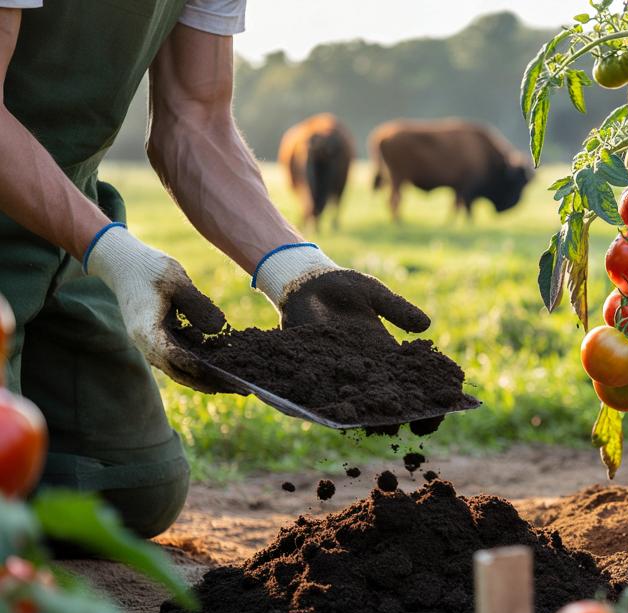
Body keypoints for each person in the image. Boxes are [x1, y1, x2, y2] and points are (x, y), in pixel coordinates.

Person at [0, 1, 428, 537]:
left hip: (65, 233)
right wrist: (115, 253)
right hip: (66, 233)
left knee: (134, 488)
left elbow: (195, 120)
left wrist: (295, 270)